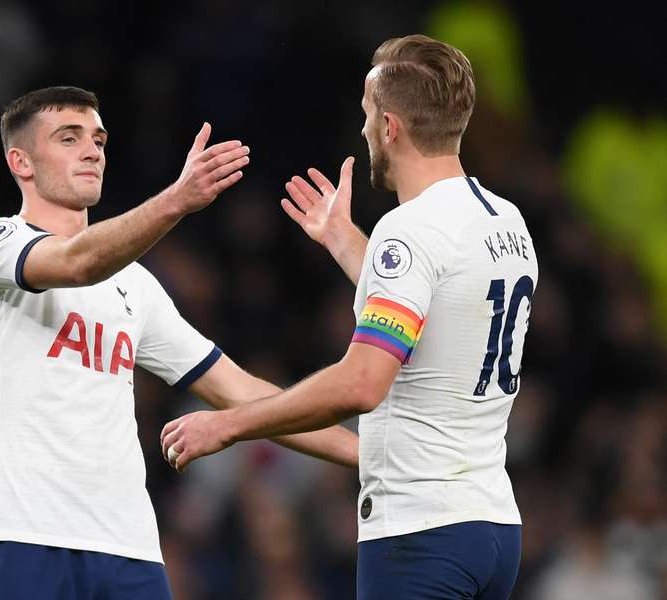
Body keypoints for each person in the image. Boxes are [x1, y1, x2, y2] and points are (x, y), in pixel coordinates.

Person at [161, 35, 537, 600]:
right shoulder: (505, 220)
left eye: (366, 117)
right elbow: (434, 312)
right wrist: (344, 239)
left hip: (419, 533)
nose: (362, 133)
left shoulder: (409, 230)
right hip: (493, 528)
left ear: (390, 127)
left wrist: (229, 425)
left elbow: (362, 383)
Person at [0, 86, 358, 600]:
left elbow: (241, 391)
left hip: (130, 547)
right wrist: (176, 201)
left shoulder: (135, 287)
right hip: (26, 538)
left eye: (98, 139)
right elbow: (77, 263)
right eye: (68, 137)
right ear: (21, 161)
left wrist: (369, 455)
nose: (91, 150)